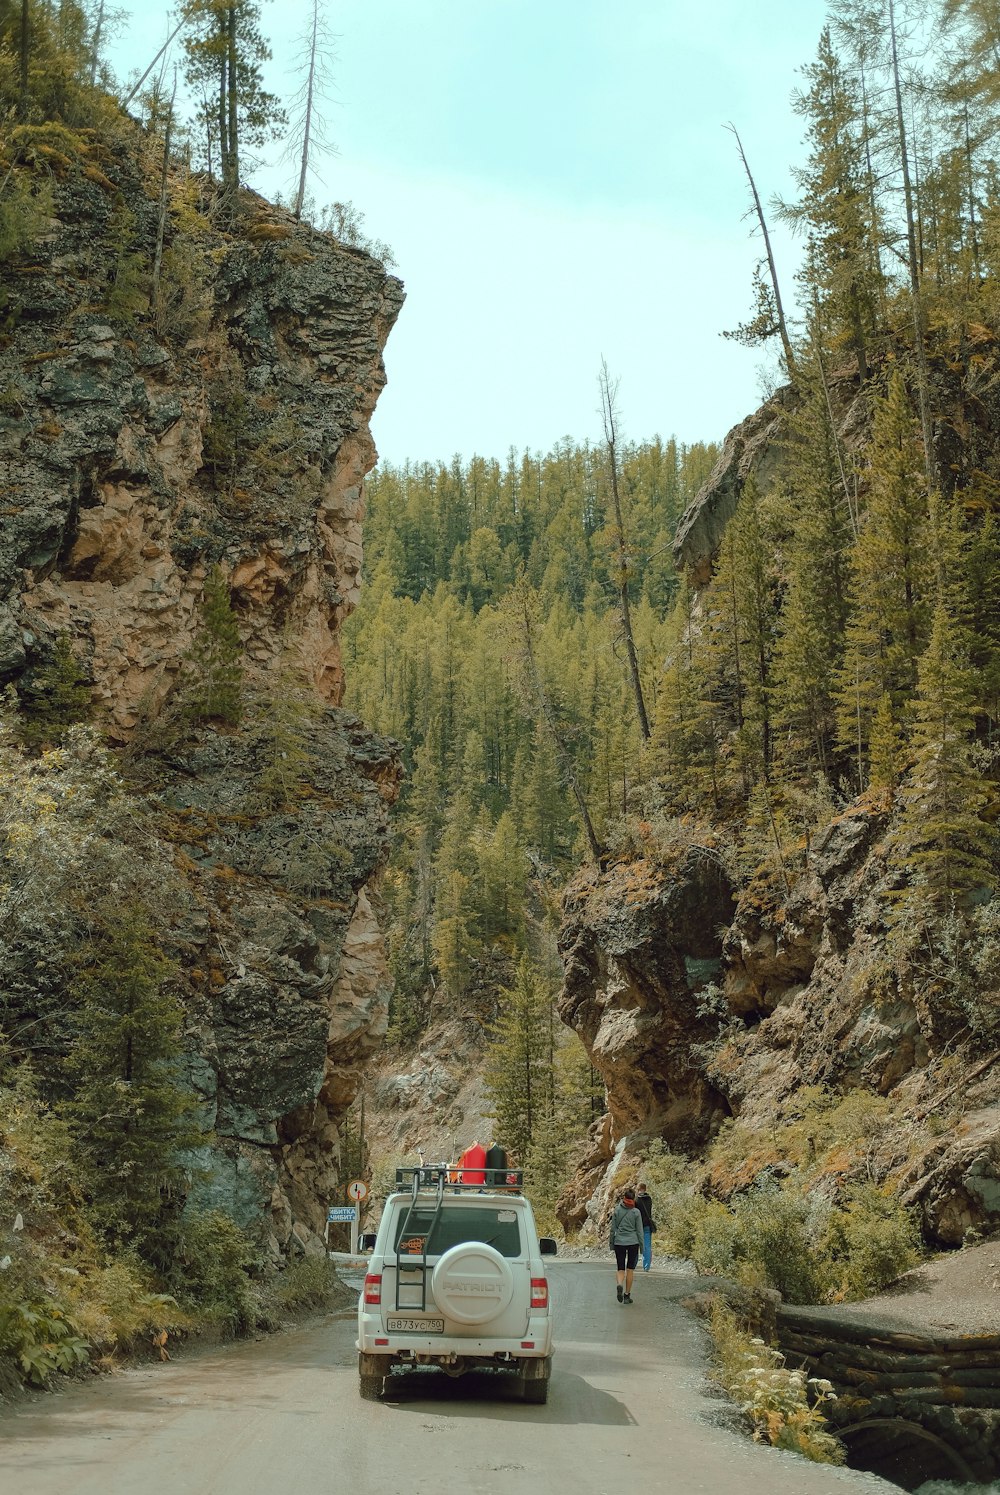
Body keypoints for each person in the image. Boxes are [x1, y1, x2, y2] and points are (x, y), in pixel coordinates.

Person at [609, 1187, 645, 1304]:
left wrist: (612, 1244)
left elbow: (613, 1229)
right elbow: (640, 1231)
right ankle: (627, 1295)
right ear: (633, 1198)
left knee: (620, 1268)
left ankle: (619, 1284)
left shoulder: (617, 1210)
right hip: (633, 1243)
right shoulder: (636, 1212)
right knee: (630, 1269)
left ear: (624, 1198)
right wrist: (642, 1247)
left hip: (619, 1242)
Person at [635, 1182, 655, 1272]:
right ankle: (646, 1267)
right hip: (647, 1225)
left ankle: (633, 1265)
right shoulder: (649, 1199)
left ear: (638, 1190)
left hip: (637, 1227)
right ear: (645, 1189)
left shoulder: (636, 1200)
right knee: (647, 1247)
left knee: (635, 1246)